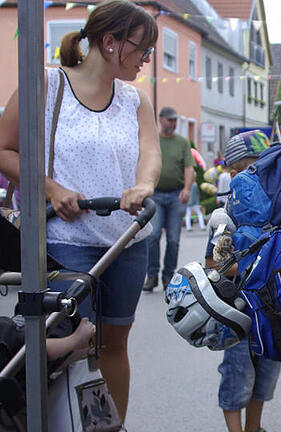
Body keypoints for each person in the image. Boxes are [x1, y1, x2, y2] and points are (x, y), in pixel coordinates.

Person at [0, 0, 160, 421]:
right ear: (110, 43)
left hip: (127, 239)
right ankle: (62, 423)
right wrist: (50, 188)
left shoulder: (135, 100)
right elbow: (4, 149)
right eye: (143, 50)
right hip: (66, 240)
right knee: (73, 345)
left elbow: (150, 153)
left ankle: (112, 427)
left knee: (114, 345)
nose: (147, 60)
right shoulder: (45, 85)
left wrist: (143, 186)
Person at [205, 129, 278, 432]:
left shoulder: (275, 212)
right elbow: (214, 263)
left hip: (271, 311)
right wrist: (252, 262)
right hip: (237, 314)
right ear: (234, 174)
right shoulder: (225, 218)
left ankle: (254, 427)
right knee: (238, 375)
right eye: (253, 169)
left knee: (266, 376)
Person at [144, 106, 195, 292]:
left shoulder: (182, 142)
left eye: (175, 121)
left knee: (173, 240)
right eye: (170, 120)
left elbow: (189, 168)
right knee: (153, 235)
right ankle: (152, 275)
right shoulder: (153, 140)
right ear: (161, 120)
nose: (173, 124)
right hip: (155, 195)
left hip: (175, 195)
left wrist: (187, 189)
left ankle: (168, 276)